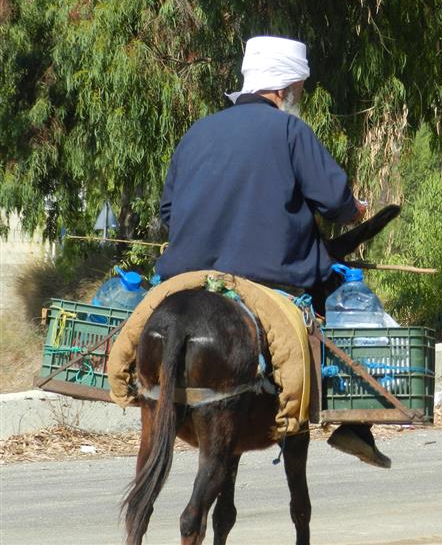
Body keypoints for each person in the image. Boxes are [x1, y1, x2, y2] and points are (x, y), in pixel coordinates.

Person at [155, 35, 390, 469]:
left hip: (184, 278)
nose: (297, 98)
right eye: (298, 90)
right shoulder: (289, 131)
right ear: (284, 90)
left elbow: (169, 212)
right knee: (345, 298)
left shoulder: (196, 133)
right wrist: (353, 210)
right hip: (270, 278)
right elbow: (336, 203)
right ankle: (354, 422)